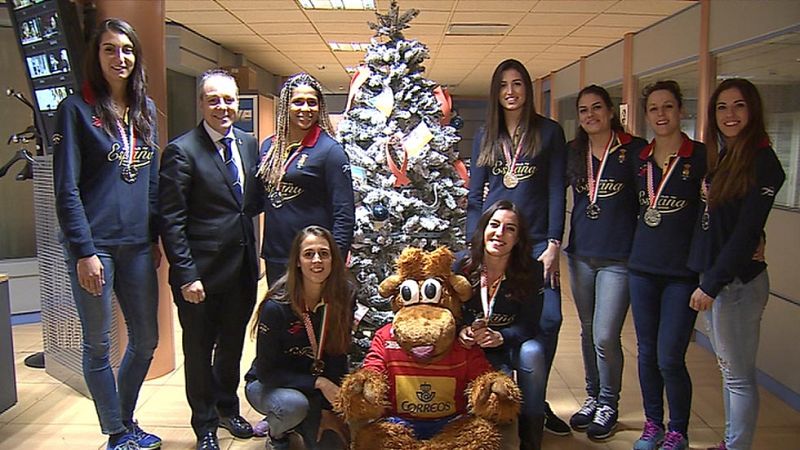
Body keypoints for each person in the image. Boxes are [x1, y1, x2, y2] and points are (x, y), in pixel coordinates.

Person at [53, 18, 161, 450]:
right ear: (95, 57)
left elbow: (151, 181)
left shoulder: (145, 110)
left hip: (136, 246)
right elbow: (67, 188)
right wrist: (83, 251)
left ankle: (126, 416)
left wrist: (153, 237)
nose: (120, 58)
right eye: (110, 50)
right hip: (94, 247)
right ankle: (115, 432)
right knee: (99, 344)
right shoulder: (75, 109)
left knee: (146, 339)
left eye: (127, 50)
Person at [466, 58, 570, 436]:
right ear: (496, 92)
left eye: (518, 84)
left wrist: (555, 243)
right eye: (503, 85)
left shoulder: (550, 132)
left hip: (537, 243)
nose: (511, 92)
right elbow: (475, 197)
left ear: (528, 89)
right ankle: (497, 390)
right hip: (494, 242)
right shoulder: (486, 136)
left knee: (550, 318)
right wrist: (472, 244)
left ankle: (535, 396)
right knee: (494, 312)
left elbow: (557, 189)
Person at [159, 69, 260, 450]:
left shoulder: (249, 145)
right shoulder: (181, 151)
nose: (222, 107)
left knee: (232, 345)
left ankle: (226, 408)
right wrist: (186, 275)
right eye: (214, 99)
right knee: (199, 351)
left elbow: (247, 205)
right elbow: (171, 220)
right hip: (199, 277)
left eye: (229, 100)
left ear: (237, 104)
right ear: (201, 103)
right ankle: (203, 424)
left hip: (243, 271)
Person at [688, 79, 785, 450]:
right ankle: (731, 443)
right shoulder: (727, 155)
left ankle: (736, 445)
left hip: (736, 284)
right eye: (722, 107)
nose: (730, 115)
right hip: (719, 276)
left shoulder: (764, 162)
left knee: (739, 376)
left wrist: (710, 284)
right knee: (729, 371)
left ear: (753, 110)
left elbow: (745, 232)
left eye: (739, 106)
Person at [564, 85, 647, 440]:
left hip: (619, 258)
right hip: (581, 253)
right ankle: (592, 396)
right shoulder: (574, 151)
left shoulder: (635, 150)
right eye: (583, 110)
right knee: (586, 330)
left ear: (611, 111)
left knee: (604, 334)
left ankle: (609, 403)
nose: (590, 115)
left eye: (597, 108)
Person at [628, 81, 706, 450]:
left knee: (669, 355)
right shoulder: (639, 158)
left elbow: (716, 213)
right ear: (646, 115)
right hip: (642, 269)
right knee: (645, 352)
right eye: (654, 109)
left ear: (681, 111)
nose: (661, 115)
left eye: (668, 107)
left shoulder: (701, 157)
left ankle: (678, 430)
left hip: (682, 274)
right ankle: (652, 423)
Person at [244, 226, 354, 450]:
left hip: (313, 390)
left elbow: (338, 353)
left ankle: (304, 423)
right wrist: (320, 383)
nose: (317, 260)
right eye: (308, 254)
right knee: (293, 406)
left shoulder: (344, 297)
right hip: (270, 385)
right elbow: (267, 372)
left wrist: (328, 408)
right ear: (297, 261)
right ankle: (278, 434)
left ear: (333, 259)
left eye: (324, 253)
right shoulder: (277, 306)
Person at [455, 200, 546, 450]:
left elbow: (530, 326)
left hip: (508, 343)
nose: (500, 233)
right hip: (468, 346)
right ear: (483, 229)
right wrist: (461, 329)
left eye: (510, 228)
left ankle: (531, 439)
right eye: (494, 225)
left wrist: (501, 336)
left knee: (534, 353)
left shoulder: (532, 270)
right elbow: (447, 312)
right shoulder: (460, 264)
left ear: (518, 239)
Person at [257, 72, 355, 285]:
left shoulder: (330, 151)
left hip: (314, 260)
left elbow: (344, 214)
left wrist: (334, 261)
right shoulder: (269, 147)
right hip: (277, 254)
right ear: (286, 106)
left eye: (312, 103)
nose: (305, 109)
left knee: (310, 318)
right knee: (281, 315)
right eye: (298, 102)